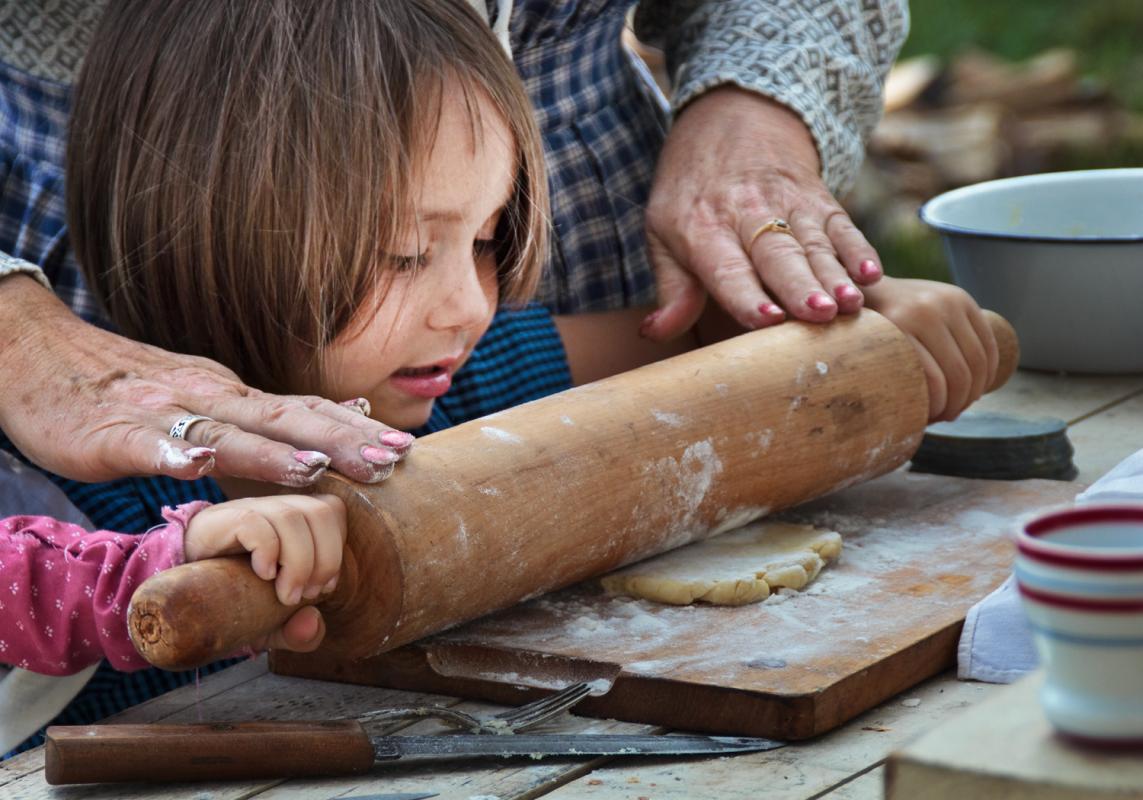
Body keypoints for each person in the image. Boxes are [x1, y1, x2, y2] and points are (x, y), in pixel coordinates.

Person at [0, 0, 909, 496]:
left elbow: (688, 342)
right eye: (399, 252)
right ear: (184, 225)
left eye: (492, 237)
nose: (477, 305)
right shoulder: (78, 519)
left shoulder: (475, 368)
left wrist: (875, 334)